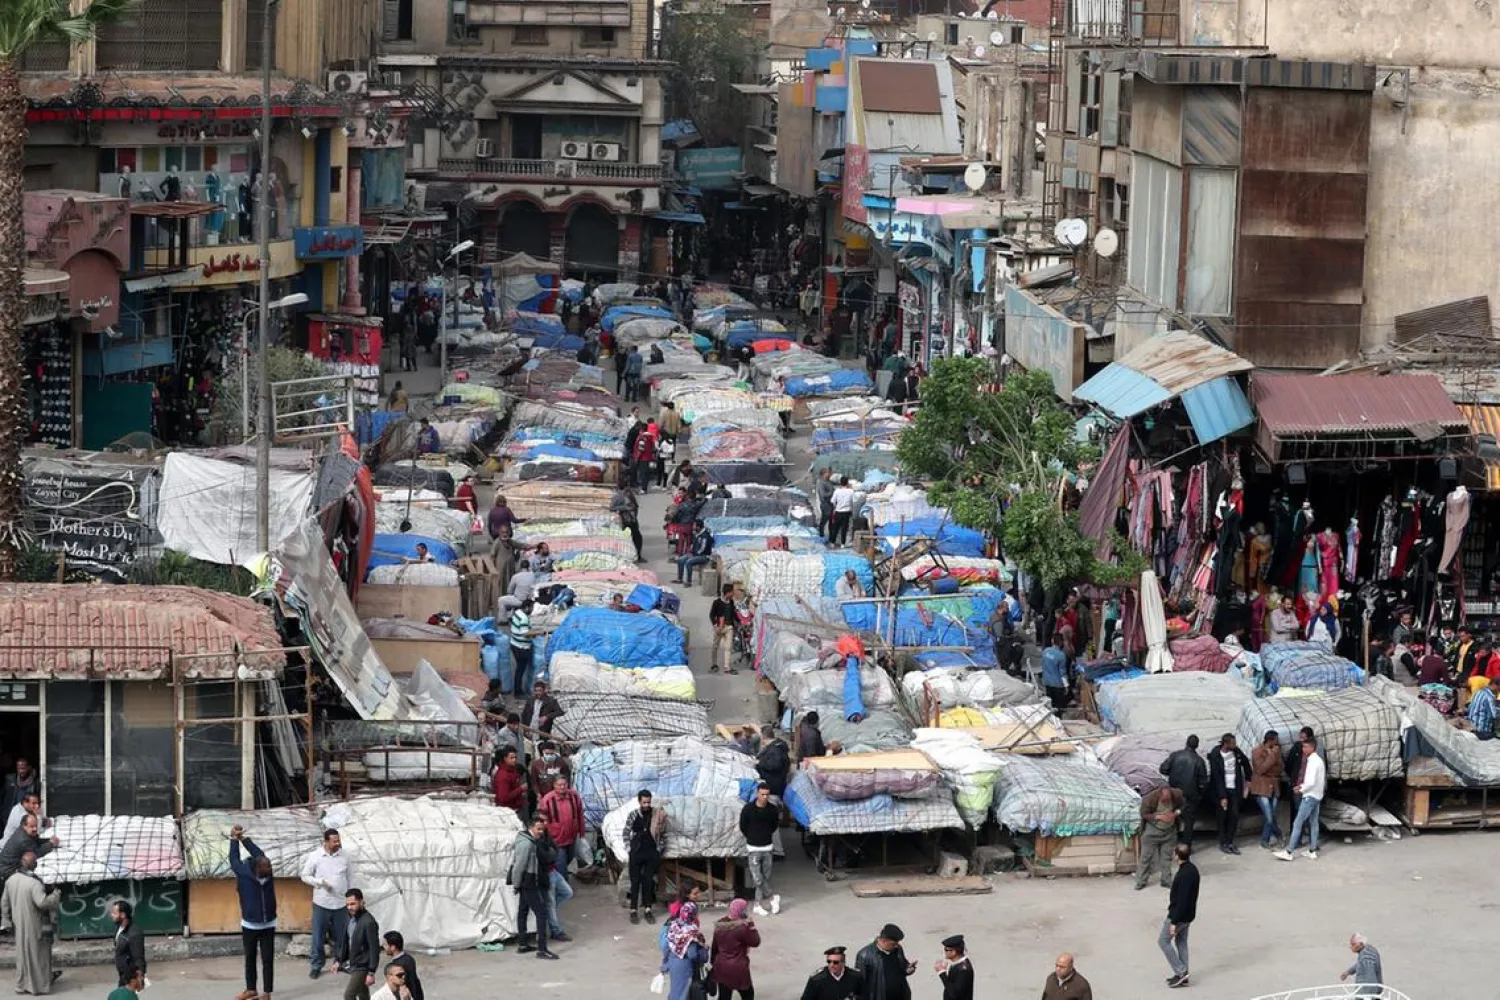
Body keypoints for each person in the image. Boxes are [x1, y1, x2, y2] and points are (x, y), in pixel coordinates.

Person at [229, 825, 277, 1000]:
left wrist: (244, 839)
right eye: (263, 874)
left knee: (267, 959)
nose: (266, 877)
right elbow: (233, 858)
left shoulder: (267, 869)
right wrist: (234, 839)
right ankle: (251, 989)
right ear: (255, 868)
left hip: (269, 923)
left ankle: (267, 992)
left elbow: (258, 852)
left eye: (268, 874)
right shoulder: (242, 872)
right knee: (250, 958)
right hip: (249, 923)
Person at [2, 852, 59, 996]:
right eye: (35, 861)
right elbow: (42, 903)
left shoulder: (11, 880)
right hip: (35, 925)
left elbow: (4, 902)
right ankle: (39, 986)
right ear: (34, 864)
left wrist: (6, 920)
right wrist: (55, 895)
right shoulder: (34, 883)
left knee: (23, 955)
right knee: (39, 956)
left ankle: (22, 985)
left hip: (19, 925)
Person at [301, 828, 352, 979]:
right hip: (321, 903)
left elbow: (351, 878)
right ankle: (316, 965)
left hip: (341, 903)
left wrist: (351, 899)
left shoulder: (345, 856)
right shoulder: (315, 856)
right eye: (334, 841)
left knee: (341, 936)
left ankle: (341, 962)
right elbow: (304, 876)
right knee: (318, 936)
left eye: (338, 840)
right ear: (326, 842)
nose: (337, 843)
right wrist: (319, 882)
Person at [510, 814, 559, 959]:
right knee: (541, 913)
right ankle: (542, 949)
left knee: (523, 911)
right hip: (530, 881)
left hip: (525, 881)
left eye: (542, 829)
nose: (541, 832)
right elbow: (519, 865)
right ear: (531, 827)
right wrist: (516, 883)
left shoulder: (524, 840)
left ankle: (523, 943)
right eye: (538, 829)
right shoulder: (527, 844)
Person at [1275, 731, 1326, 861]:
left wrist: (1300, 788)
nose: (1302, 749)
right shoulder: (1318, 760)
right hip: (1317, 796)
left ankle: (1289, 851)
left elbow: (1311, 782)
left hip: (1309, 796)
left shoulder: (1313, 762)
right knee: (1314, 823)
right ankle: (1312, 850)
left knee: (1298, 822)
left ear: (1311, 748)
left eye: (1305, 747)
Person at [331, 888, 381, 1000]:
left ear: (362, 902)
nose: (349, 907)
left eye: (352, 904)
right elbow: (345, 942)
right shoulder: (349, 918)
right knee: (363, 995)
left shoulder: (368, 922)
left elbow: (374, 948)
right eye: (347, 904)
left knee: (349, 995)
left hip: (362, 966)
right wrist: (338, 960)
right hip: (354, 962)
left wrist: (371, 972)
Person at [1161, 844, 1198, 989]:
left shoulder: (1183, 875)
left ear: (1177, 855)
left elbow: (1181, 900)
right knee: (1181, 941)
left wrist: (1173, 922)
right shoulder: (1192, 869)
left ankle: (1181, 972)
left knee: (1163, 941)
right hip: (1189, 914)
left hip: (1179, 915)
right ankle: (1184, 975)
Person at [740, 782, 780, 917]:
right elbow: (743, 826)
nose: (764, 797)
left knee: (765, 878)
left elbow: (774, 825)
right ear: (757, 793)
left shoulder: (773, 810)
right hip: (753, 848)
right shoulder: (748, 809)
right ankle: (772, 897)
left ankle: (757, 904)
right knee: (757, 878)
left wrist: (765, 834)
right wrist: (752, 837)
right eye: (762, 794)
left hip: (767, 847)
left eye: (767, 795)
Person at [709, 898, 761, 1000]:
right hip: (738, 969)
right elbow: (756, 942)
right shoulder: (742, 928)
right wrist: (751, 925)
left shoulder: (720, 926)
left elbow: (714, 948)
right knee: (748, 995)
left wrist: (714, 964)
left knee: (724, 997)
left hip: (722, 967)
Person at [1208, 733, 1251, 855]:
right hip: (1222, 790)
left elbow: (1246, 763)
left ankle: (1230, 841)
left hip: (1235, 789)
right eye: (1232, 743)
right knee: (1222, 817)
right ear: (1226, 744)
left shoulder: (1236, 752)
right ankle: (1223, 842)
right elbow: (1217, 778)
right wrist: (1222, 796)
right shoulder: (1215, 755)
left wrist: (1249, 780)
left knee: (1235, 815)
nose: (1235, 745)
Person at [1160, 736, 1208, 844]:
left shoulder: (1175, 755)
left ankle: (1171, 842)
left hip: (1173, 793)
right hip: (1190, 795)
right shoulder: (1199, 761)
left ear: (1186, 743)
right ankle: (1186, 846)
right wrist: (1200, 795)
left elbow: (1163, 769)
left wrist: (1173, 773)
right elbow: (1203, 782)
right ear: (1197, 746)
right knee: (1189, 822)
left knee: (1172, 818)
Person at [1134, 786, 1183, 890]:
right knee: (1145, 858)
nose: (1166, 802)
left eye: (1168, 800)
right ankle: (1141, 881)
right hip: (1152, 832)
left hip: (1169, 832)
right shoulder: (1150, 799)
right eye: (1163, 801)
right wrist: (1158, 816)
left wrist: (1175, 814)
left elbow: (1183, 805)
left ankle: (1166, 880)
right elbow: (1144, 814)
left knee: (1166, 858)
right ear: (1159, 796)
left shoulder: (1177, 795)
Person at [626, 789, 664, 924]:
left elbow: (662, 833)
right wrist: (628, 848)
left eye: (648, 802)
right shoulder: (633, 815)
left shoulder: (655, 815)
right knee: (635, 882)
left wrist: (659, 849)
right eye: (644, 802)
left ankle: (648, 909)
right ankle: (633, 910)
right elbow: (626, 832)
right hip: (636, 852)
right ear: (639, 802)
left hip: (651, 852)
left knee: (648, 882)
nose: (646, 805)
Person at [538, 775, 587, 871]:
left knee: (569, 859)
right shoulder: (548, 800)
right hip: (556, 840)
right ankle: (563, 883)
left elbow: (580, 814)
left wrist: (581, 832)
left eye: (564, 784)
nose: (562, 787)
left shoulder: (574, 796)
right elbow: (541, 819)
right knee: (561, 864)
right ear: (554, 785)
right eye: (559, 785)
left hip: (571, 837)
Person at [660, 902, 707, 1000]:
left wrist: (666, 963)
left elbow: (665, 946)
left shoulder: (673, 925)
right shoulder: (691, 932)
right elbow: (692, 954)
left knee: (675, 990)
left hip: (673, 964)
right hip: (685, 966)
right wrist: (704, 953)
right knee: (685, 993)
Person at [855, 923, 915, 1000]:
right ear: (884, 940)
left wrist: (907, 970)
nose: (896, 946)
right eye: (893, 944)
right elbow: (860, 985)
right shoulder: (864, 955)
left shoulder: (897, 949)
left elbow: (902, 966)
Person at [1249, 730, 1285, 848]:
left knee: (1271, 816)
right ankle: (1275, 836)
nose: (1277, 742)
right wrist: (1272, 757)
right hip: (1262, 788)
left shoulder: (1277, 750)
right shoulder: (1257, 751)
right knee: (1269, 817)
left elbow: (1280, 769)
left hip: (1274, 787)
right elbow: (1260, 769)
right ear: (1270, 739)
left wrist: (1271, 768)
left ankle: (1267, 839)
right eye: (1276, 739)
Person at [0, 812, 56, 881]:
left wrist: (49, 840)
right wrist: (51, 844)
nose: (35, 829)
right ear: (24, 826)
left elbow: (36, 841)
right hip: (8, 871)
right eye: (32, 826)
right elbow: (37, 852)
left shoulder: (24, 831)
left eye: (36, 826)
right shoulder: (23, 839)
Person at [111, 899, 146, 987]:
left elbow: (139, 957)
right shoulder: (119, 928)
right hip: (122, 974)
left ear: (123, 915)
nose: (112, 915)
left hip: (130, 977)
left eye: (114, 913)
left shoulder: (134, 933)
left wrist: (140, 976)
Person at [509, 599, 537, 695]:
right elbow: (525, 633)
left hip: (514, 644)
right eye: (531, 608)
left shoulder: (517, 612)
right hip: (522, 647)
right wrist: (537, 633)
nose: (532, 610)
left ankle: (518, 689)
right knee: (520, 670)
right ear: (526, 607)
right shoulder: (524, 618)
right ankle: (518, 692)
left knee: (519, 669)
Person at [611, 482, 644, 562]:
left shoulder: (630, 495)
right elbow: (612, 507)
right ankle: (628, 557)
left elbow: (635, 506)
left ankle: (638, 555)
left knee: (637, 538)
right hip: (625, 520)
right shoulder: (618, 497)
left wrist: (634, 513)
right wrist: (625, 508)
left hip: (632, 519)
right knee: (627, 539)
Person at [710, 583, 739, 675]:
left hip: (728, 627)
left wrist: (739, 622)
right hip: (719, 627)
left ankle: (727, 667)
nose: (733, 594)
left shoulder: (731, 602)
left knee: (728, 647)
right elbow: (711, 615)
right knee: (715, 646)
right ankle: (714, 664)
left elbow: (734, 614)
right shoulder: (717, 602)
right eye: (732, 592)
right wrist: (715, 625)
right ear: (728, 593)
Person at [755, 727, 791, 797]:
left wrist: (759, 762)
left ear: (763, 736)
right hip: (777, 781)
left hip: (773, 785)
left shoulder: (775, 750)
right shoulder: (777, 745)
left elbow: (774, 765)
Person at [676, 519, 714, 585]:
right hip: (695, 554)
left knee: (689, 562)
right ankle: (679, 579)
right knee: (681, 560)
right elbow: (693, 546)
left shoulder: (705, 536)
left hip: (704, 556)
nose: (693, 527)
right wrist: (691, 552)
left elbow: (703, 548)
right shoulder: (697, 534)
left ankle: (689, 581)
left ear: (698, 527)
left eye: (694, 526)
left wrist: (694, 554)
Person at [934, 935, 973, 1000]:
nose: (945, 952)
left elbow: (954, 993)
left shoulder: (963, 970)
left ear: (954, 952)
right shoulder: (958, 964)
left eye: (946, 950)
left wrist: (942, 973)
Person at [492, 748, 528, 814]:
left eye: (515, 757)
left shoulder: (512, 771)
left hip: (515, 808)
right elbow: (503, 798)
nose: (514, 760)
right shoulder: (503, 775)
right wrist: (521, 789)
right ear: (505, 758)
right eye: (511, 758)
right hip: (507, 812)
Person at [1041, 633, 1069, 711]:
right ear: (1061, 642)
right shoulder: (1061, 656)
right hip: (1057, 685)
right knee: (1058, 707)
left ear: (1052, 641)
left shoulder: (1045, 651)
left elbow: (1043, 666)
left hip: (1047, 683)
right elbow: (1062, 673)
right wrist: (1066, 685)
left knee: (1049, 706)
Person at [828, 477, 855, 547]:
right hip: (847, 512)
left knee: (835, 528)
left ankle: (832, 543)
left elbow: (832, 501)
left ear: (840, 483)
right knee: (844, 528)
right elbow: (853, 501)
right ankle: (843, 544)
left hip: (838, 512)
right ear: (847, 483)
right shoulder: (851, 491)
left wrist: (835, 507)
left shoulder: (837, 491)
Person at [816, 469, 837, 539]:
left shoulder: (829, 482)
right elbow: (823, 494)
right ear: (824, 474)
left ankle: (831, 537)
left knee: (832, 522)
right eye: (828, 473)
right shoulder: (821, 483)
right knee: (824, 520)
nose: (830, 474)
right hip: (826, 504)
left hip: (831, 504)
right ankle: (821, 534)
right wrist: (832, 493)